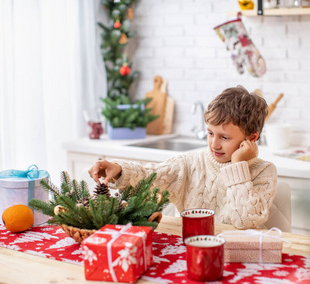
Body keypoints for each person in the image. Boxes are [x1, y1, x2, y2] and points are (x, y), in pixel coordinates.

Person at [89, 86, 277, 229]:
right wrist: (119, 170)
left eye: (224, 137)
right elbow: (150, 175)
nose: (214, 144)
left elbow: (245, 221)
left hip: (239, 261)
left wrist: (238, 165)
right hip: (188, 251)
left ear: (252, 137)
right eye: (210, 133)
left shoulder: (264, 172)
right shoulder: (189, 163)